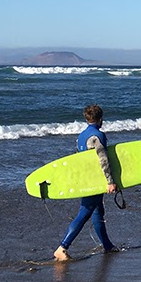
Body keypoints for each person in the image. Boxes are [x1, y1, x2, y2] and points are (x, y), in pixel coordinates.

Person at [53, 104, 119, 261]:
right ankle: (62, 247)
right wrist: (110, 181)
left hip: (86, 179)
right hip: (95, 180)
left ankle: (107, 246)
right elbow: (103, 160)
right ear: (100, 119)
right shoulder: (98, 136)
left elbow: (78, 160)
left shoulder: (81, 136)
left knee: (97, 211)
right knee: (85, 211)